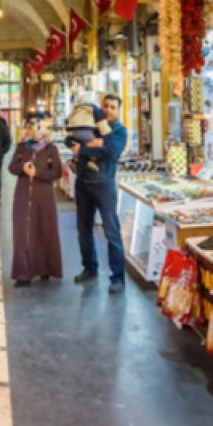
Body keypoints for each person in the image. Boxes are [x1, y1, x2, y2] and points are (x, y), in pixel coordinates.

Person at [68, 94, 128, 294]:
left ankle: (118, 277)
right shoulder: (90, 124)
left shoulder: (120, 131)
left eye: (113, 107)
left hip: (104, 186)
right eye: (105, 106)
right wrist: (89, 145)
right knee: (83, 230)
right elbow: (70, 138)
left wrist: (83, 150)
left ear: (118, 110)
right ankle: (89, 268)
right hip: (83, 183)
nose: (109, 110)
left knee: (111, 231)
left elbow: (111, 152)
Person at [8, 119, 64, 286]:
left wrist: (37, 172)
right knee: (22, 232)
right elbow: (11, 167)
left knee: (44, 229)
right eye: (27, 129)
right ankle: (23, 273)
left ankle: (45, 268)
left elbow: (57, 172)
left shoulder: (50, 149)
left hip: (44, 196)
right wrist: (23, 168)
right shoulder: (22, 147)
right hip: (23, 195)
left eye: (31, 129)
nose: (28, 132)